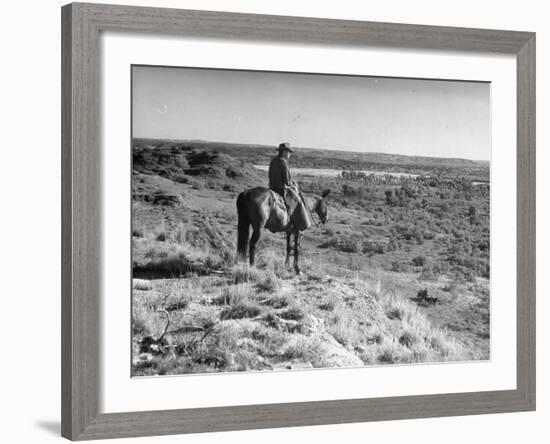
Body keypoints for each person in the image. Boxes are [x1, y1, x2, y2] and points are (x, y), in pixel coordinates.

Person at [268, 142, 313, 231]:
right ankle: (301, 224)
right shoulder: (283, 163)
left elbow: (270, 175)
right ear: (285, 152)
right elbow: (287, 182)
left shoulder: (273, 161)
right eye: (289, 152)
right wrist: (293, 185)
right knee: (298, 201)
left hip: (272, 187)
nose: (289, 155)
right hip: (282, 189)